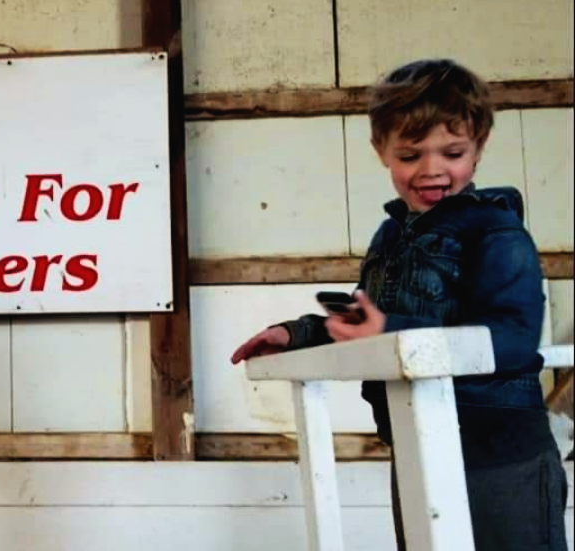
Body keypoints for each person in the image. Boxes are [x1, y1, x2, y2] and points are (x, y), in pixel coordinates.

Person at [230, 59, 569, 551]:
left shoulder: (497, 233)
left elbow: (514, 341)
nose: (432, 169)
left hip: (500, 456)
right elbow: (372, 319)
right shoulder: (390, 235)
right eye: (410, 155)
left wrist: (388, 329)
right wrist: (300, 333)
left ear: (479, 147)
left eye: (452, 152)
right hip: (415, 445)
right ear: (381, 151)